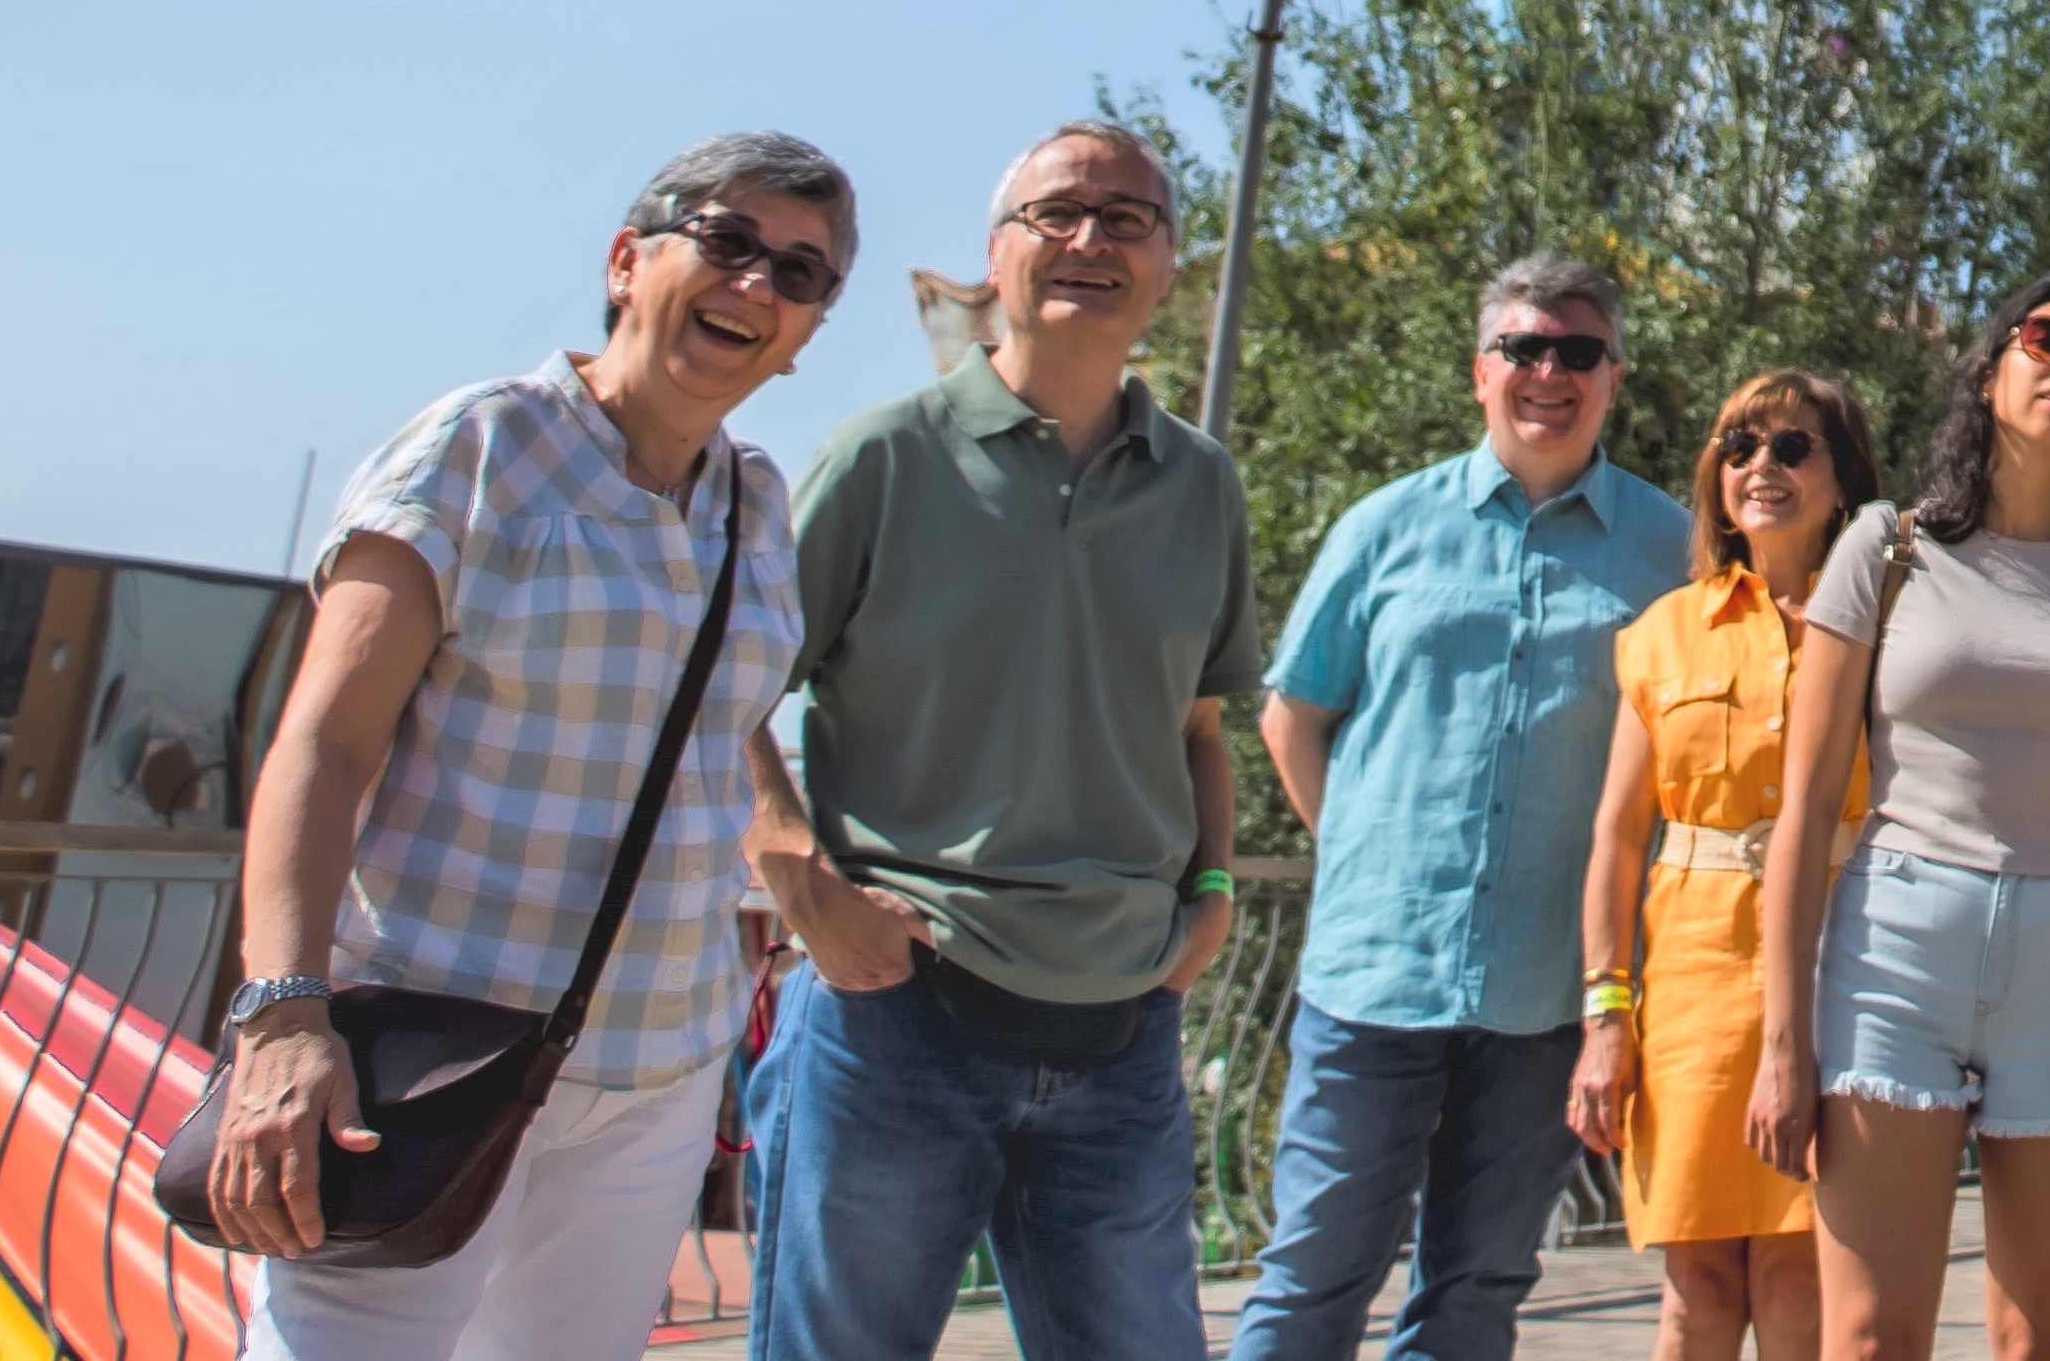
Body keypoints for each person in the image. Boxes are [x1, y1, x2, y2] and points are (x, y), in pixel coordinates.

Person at [212, 134, 845, 1361]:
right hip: (430, 1047)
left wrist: (801, 868)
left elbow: (723, 720)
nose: (758, 285)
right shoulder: (478, 447)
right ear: (626, 261)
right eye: (726, 243)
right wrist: (283, 1016)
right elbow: (324, 744)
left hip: (653, 1073)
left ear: (809, 331)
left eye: (802, 273)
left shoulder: (756, 504)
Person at [744, 120, 1262, 1361]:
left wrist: (1213, 892)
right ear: (998, 253)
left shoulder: (1202, 486)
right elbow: (730, 693)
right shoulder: (881, 459)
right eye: (1058, 215)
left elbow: (1201, 722)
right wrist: (801, 879)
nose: (1091, 241)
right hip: (896, 1019)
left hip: (1125, 1026)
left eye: (1127, 219)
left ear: (1167, 267)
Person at [1231, 258, 1695, 1361]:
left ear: (1613, 379)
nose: (1549, 372)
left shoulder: (1670, 551)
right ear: (1480, 372)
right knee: (1311, 1279)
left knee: (1479, 1289)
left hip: (1549, 996)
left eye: (1577, 352)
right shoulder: (1385, 527)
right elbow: (1292, 717)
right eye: (1523, 349)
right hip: (1373, 976)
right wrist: (1358, 855)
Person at [1747, 279, 2050, 1361]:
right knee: (1871, 1337)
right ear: (1991, 371)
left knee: (2045, 1338)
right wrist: (1782, 1044)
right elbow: (1801, 813)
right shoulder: (1886, 549)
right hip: (1895, 949)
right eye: (2045, 338)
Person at [1570, 370, 1887, 1361]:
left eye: (1794, 447)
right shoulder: (1663, 634)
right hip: (1695, 989)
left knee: (1801, 1276)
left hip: (1851, 967)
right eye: (1741, 447)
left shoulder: (1897, 623)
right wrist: (1605, 1015)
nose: (1763, 467)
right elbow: (1618, 837)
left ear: (1842, 479)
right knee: (1699, 1285)